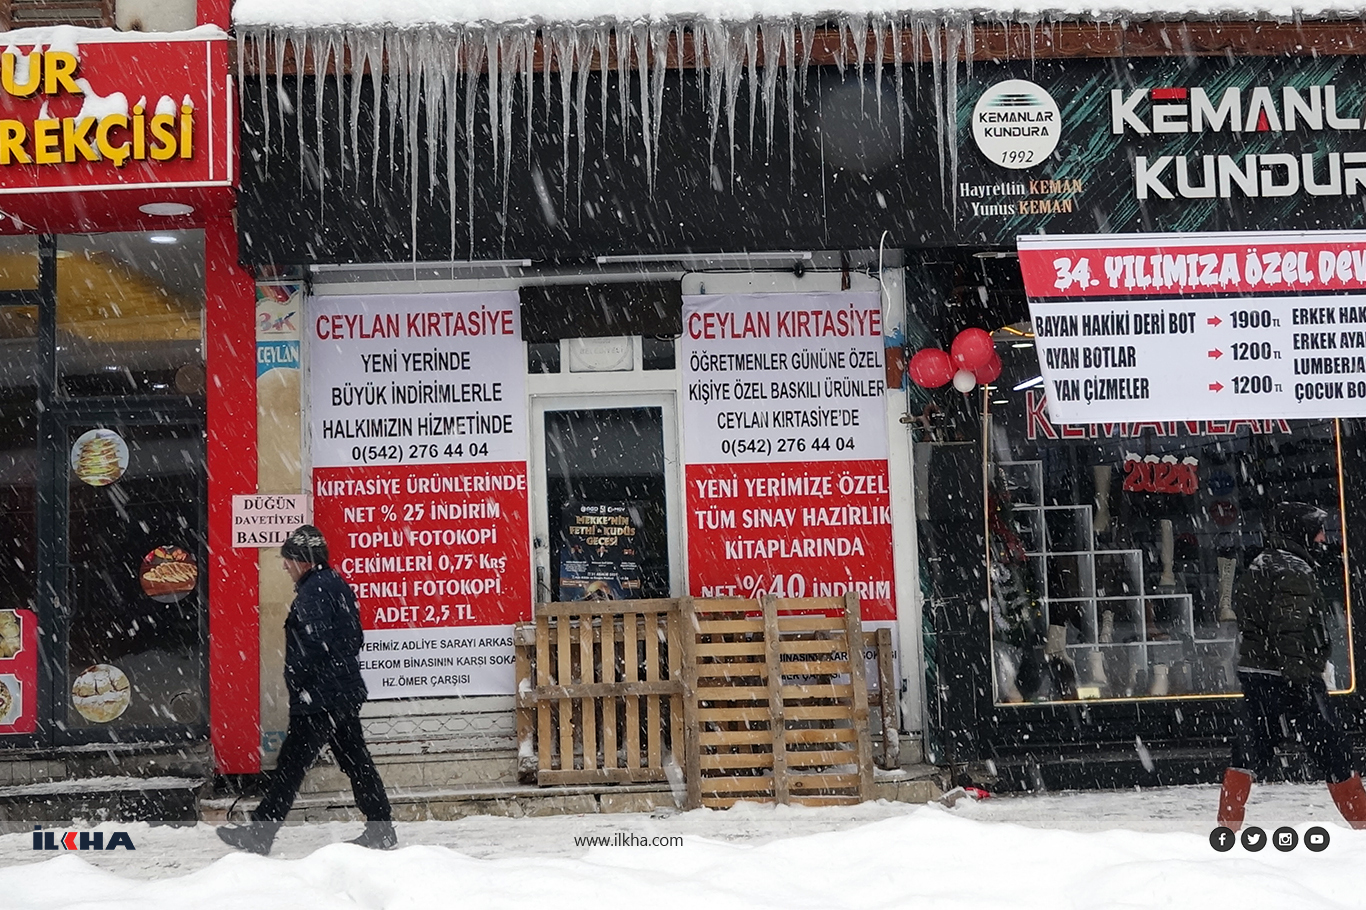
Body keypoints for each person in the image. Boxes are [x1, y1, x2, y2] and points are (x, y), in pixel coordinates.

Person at [218, 525, 396, 854]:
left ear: (303, 560)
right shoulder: (335, 585)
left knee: (290, 767)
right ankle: (381, 829)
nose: (284, 565)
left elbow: (315, 644)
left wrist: (299, 684)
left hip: (320, 699)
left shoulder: (315, 592)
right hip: (340, 693)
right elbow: (354, 639)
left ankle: (260, 835)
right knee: (357, 762)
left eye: (287, 559)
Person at [1217, 502, 1366, 830]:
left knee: (1248, 752)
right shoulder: (1295, 570)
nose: (1324, 538)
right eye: (1318, 531)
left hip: (1257, 674)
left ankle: (1227, 827)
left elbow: (1244, 611)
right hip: (1290, 677)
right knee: (1334, 752)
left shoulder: (1260, 563)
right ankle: (1363, 827)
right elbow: (1287, 627)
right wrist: (1303, 677)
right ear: (1301, 532)